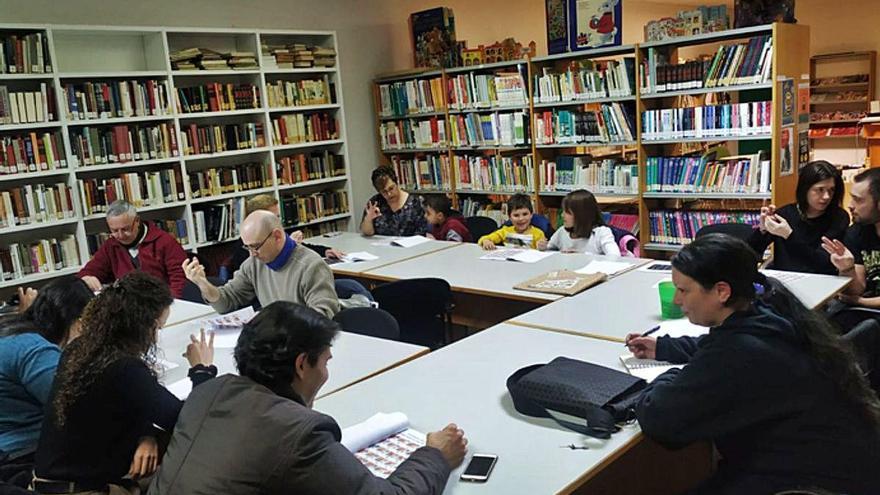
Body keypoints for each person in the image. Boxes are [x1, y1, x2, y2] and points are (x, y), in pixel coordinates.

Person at [627, 234, 880, 495]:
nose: (677, 301)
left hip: (808, 483)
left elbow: (660, 419)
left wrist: (669, 375)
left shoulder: (737, 353)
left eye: (683, 290)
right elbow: (726, 343)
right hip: (838, 463)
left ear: (722, 291)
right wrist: (664, 347)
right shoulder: (769, 308)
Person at [149, 301, 467, 494]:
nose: (326, 374)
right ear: (302, 365)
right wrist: (435, 455)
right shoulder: (299, 434)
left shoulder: (206, 392)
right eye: (325, 362)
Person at [32, 272, 216, 495]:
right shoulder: (124, 367)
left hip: (48, 481)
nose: (155, 337)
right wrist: (201, 369)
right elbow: (189, 421)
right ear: (143, 326)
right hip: (82, 490)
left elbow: (118, 406)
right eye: (157, 328)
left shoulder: (80, 349)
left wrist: (147, 435)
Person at [0, 277, 94, 491]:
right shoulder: (36, 350)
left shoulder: (13, 331)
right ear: (78, 321)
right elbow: (75, 406)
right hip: (23, 455)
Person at [183, 210, 339, 318]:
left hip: (305, 343)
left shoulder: (311, 266)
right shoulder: (253, 264)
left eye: (256, 246)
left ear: (277, 236)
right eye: (247, 247)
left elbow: (322, 318)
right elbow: (227, 302)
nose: (252, 254)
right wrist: (203, 284)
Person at [748, 160, 849, 274]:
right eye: (820, 190)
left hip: (822, 278)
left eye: (831, 190)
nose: (826, 196)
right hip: (784, 279)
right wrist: (762, 230)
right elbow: (750, 253)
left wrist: (789, 235)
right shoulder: (784, 214)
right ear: (805, 189)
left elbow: (821, 262)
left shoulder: (839, 217)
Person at [78, 200, 188, 298]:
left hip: (162, 303)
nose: (120, 236)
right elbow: (88, 272)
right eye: (114, 231)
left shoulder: (164, 241)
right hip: (129, 305)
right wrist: (86, 279)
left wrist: (170, 304)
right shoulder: (111, 245)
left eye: (125, 229)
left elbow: (181, 280)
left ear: (137, 221)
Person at [227, 194, 345, 275]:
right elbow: (268, 273)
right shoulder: (245, 246)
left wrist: (325, 251)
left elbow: (304, 247)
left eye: (278, 216)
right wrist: (290, 246)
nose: (278, 221)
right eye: (274, 217)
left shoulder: (274, 234)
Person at [537, 189, 620, 255]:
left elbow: (615, 256)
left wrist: (582, 256)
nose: (562, 215)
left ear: (581, 214)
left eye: (567, 212)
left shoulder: (601, 233)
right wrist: (543, 246)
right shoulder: (562, 231)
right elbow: (549, 248)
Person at [361, 166, 428, 237]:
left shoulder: (416, 203)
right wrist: (368, 219)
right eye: (384, 192)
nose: (389, 194)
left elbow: (422, 234)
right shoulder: (375, 203)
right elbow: (367, 232)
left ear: (396, 183)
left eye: (391, 188)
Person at [478, 193, 546, 250]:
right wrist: (486, 241)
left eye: (525, 214)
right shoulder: (505, 231)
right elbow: (484, 238)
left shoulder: (538, 233)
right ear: (509, 217)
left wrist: (542, 247)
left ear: (531, 215)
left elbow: (543, 249)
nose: (521, 219)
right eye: (516, 215)